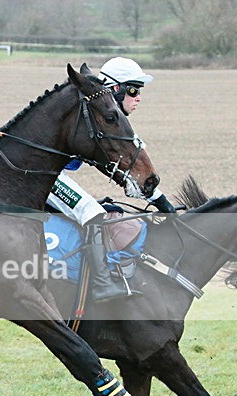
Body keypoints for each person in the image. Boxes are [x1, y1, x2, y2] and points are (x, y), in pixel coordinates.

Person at [46, 57, 174, 301]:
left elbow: (123, 169)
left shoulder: (106, 120)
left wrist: (161, 201)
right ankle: (102, 284)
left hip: (55, 175)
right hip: (47, 176)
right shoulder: (95, 115)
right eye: (134, 89)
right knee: (91, 212)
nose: (138, 98)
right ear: (115, 89)